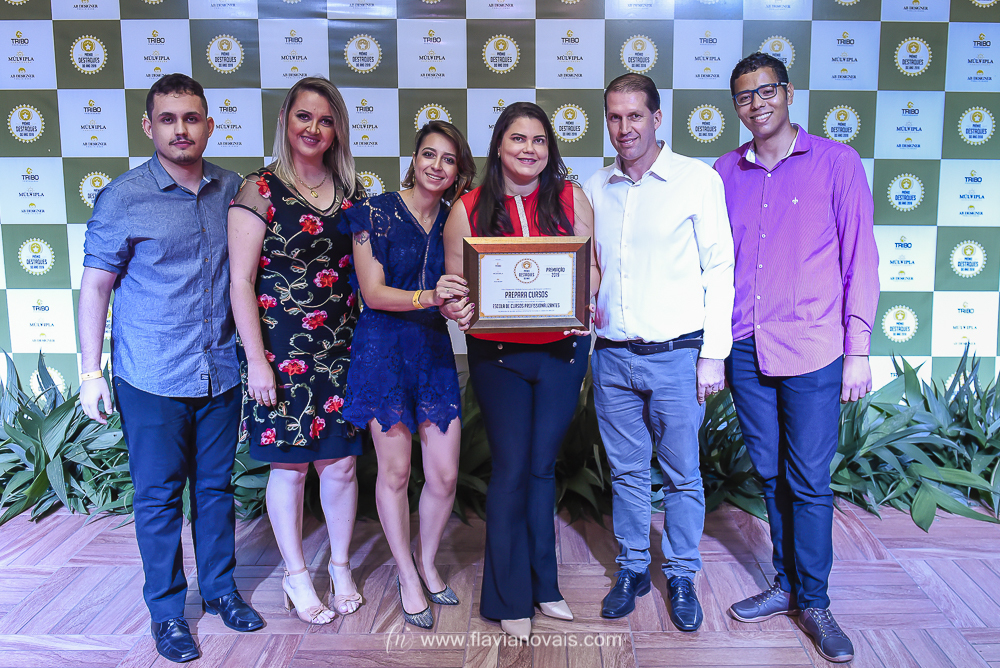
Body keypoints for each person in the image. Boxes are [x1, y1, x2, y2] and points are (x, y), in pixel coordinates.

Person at [78, 73, 264, 664]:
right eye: (168, 119)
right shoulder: (122, 197)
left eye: (191, 118)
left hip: (219, 371)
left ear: (209, 124)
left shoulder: (234, 188)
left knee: (215, 490)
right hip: (152, 375)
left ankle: (221, 592)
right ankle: (166, 612)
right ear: (148, 126)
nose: (181, 129)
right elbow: (96, 287)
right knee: (158, 498)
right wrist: (89, 373)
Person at [714, 53, 879, 663]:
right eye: (744, 96)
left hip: (813, 347)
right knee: (771, 474)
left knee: (808, 480)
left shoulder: (836, 162)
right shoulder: (724, 171)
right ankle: (785, 585)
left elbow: (861, 257)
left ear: (788, 93)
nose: (756, 104)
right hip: (746, 346)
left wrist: (858, 349)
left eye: (766, 92)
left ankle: (816, 601)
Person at [440, 102, 599, 641]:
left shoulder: (572, 198)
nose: (529, 149)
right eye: (518, 139)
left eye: (539, 140)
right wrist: (458, 306)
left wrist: (586, 300)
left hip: (562, 354)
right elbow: (457, 286)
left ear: (549, 148)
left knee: (541, 469)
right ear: (499, 146)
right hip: (499, 358)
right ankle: (508, 597)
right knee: (510, 469)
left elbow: (591, 268)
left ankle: (545, 586)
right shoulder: (467, 208)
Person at [583, 73, 734, 632]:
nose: (624, 128)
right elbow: (586, 268)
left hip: (677, 356)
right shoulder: (596, 186)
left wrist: (713, 354)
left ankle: (683, 574)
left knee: (682, 474)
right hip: (612, 356)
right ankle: (632, 568)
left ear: (657, 118)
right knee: (625, 474)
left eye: (635, 116)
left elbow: (720, 267)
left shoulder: (697, 180)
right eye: (614, 117)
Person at [227, 77, 365, 626]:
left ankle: (341, 566)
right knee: (290, 470)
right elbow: (240, 282)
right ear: (286, 120)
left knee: (342, 467)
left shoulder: (350, 189)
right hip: (281, 354)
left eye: (326, 120)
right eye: (304, 116)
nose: (313, 128)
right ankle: (296, 574)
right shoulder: (258, 188)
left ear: (338, 131)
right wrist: (256, 360)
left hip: (342, 348)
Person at [341, 120, 476, 629]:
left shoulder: (456, 220)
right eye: (429, 154)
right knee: (395, 473)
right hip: (383, 353)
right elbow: (373, 293)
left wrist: (460, 307)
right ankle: (406, 574)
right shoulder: (372, 212)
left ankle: (427, 559)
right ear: (414, 159)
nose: (437, 166)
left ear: (458, 171)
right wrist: (430, 297)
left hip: (433, 353)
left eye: (448, 159)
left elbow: (461, 288)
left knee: (444, 474)